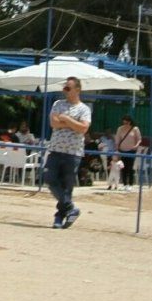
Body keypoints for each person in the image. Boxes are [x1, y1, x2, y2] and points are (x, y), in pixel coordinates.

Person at [45, 77, 91, 229]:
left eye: (68, 88)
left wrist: (65, 119)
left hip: (73, 153)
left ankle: (58, 218)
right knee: (49, 178)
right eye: (64, 88)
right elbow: (53, 123)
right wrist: (72, 123)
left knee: (66, 186)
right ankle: (71, 209)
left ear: (77, 90)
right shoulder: (58, 104)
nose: (65, 91)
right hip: (55, 150)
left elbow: (83, 128)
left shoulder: (84, 109)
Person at [115, 116, 143, 186]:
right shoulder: (120, 129)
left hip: (131, 150)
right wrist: (117, 148)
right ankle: (124, 183)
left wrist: (136, 145)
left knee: (130, 167)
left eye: (127, 122)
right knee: (123, 167)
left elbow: (139, 139)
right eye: (124, 122)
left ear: (130, 122)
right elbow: (117, 139)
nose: (125, 124)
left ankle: (130, 183)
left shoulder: (135, 129)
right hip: (122, 150)